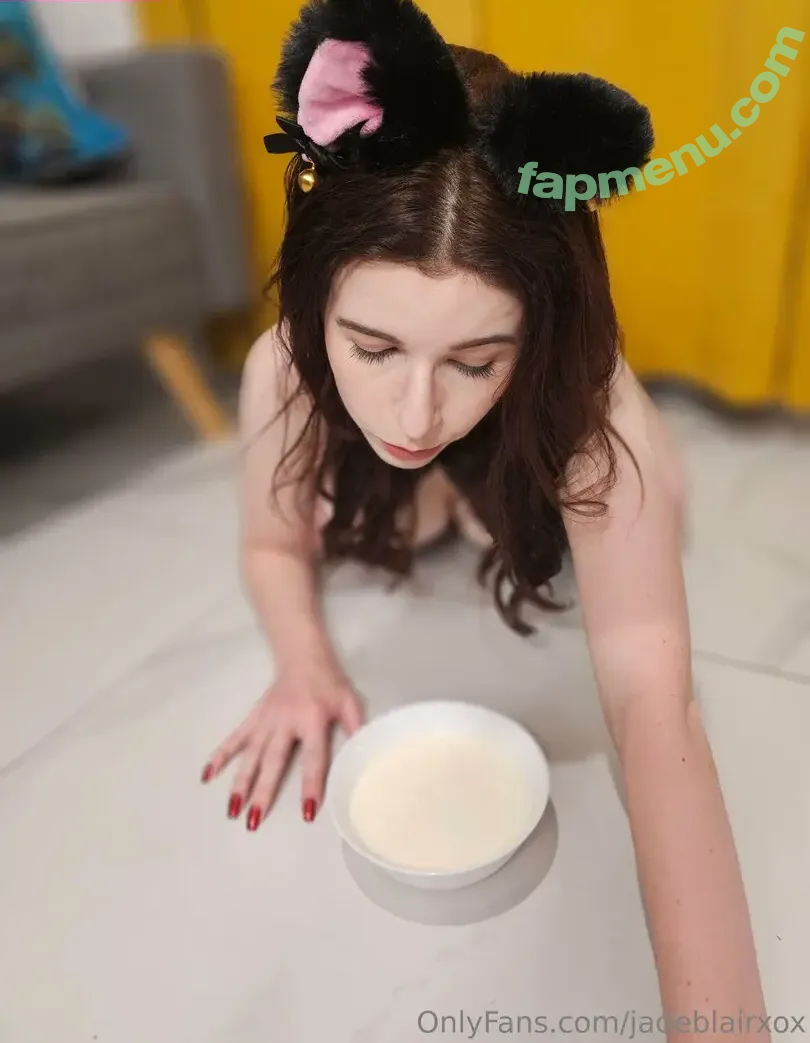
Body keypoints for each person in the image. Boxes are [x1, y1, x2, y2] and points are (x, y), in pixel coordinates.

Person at [201, 0, 770, 1035]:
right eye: (373, 348)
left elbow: (655, 706)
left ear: (536, 335)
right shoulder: (283, 369)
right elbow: (271, 541)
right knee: (411, 514)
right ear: (314, 302)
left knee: (651, 485)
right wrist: (303, 661)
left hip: (566, 453)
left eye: (474, 361)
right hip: (428, 495)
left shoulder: (590, 415)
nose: (414, 413)